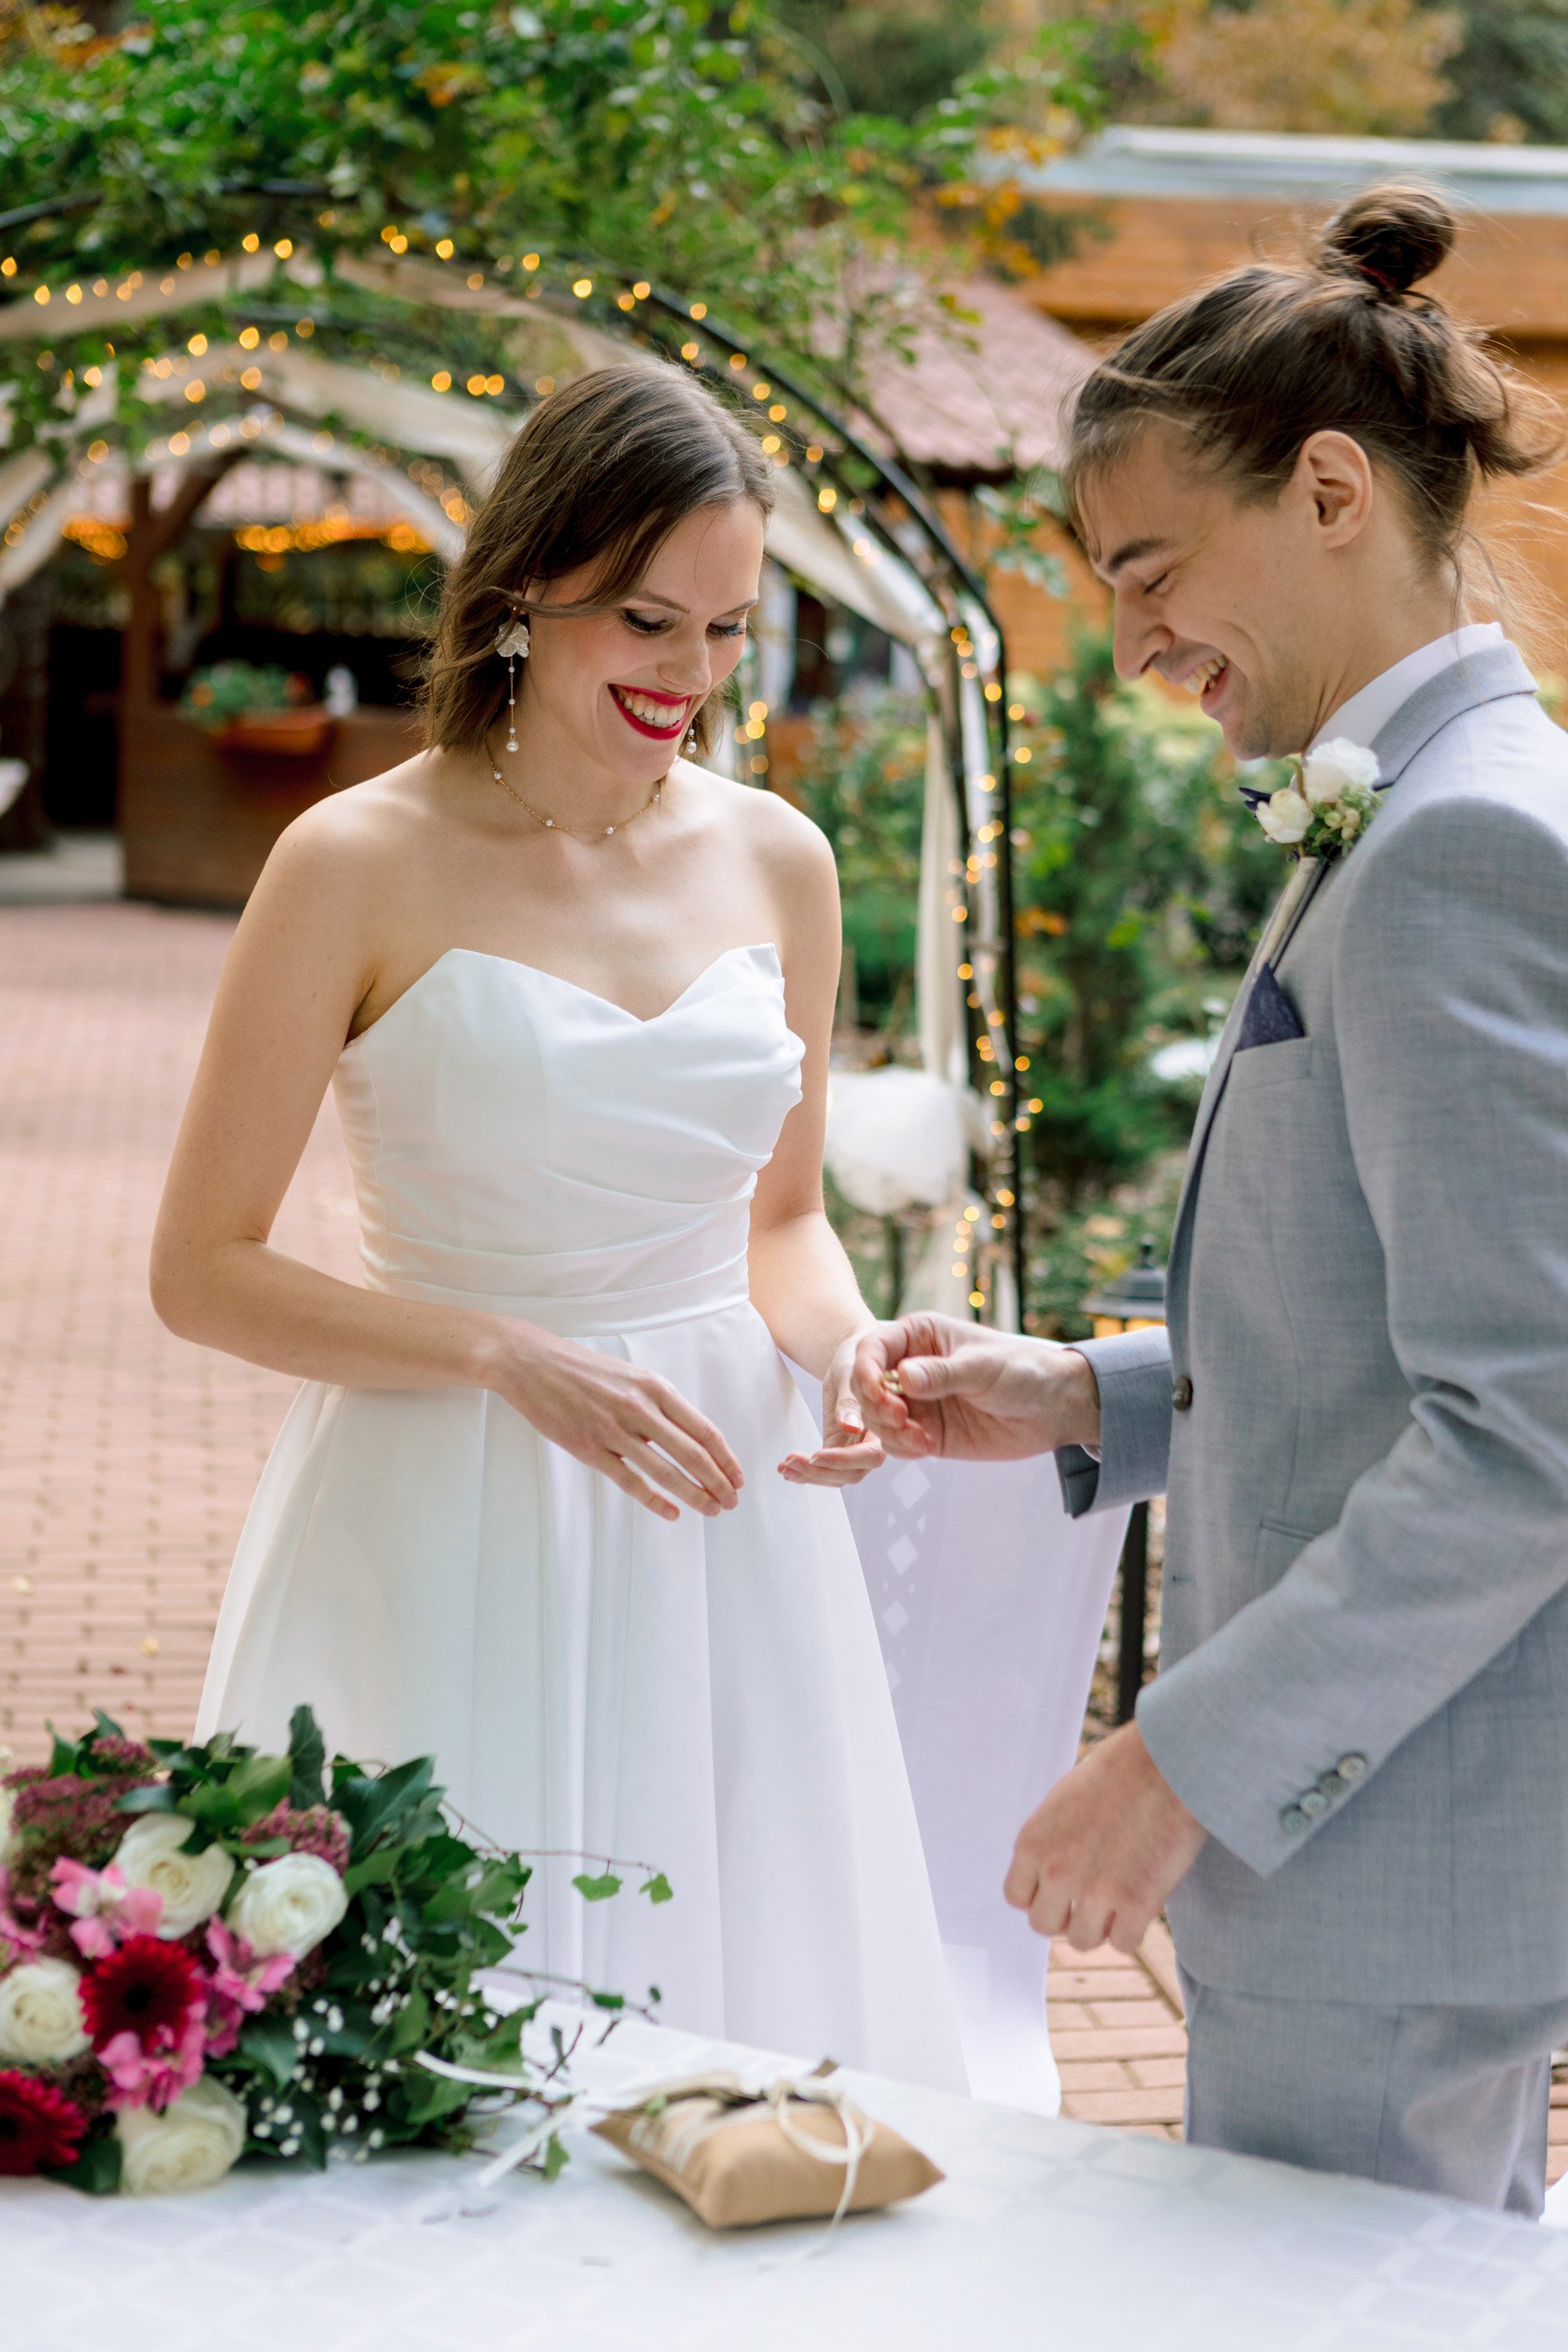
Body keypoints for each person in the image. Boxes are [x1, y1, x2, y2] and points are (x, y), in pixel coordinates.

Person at [855, 185, 1568, 2207]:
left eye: (1152, 566)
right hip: (1391, 1849)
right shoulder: (1435, 812)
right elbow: (1384, 1333)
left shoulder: (1459, 852)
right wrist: (1088, 1395)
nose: (1138, 633)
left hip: (1384, 1857)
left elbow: (1529, 1427)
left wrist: (1174, 1763)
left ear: (1329, 488)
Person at [155, 363, 965, 2090]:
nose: (687, 677)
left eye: (730, 632)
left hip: (718, 1506)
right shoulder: (350, 860)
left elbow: (786, 1220)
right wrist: (500, 1354)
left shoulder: (782, 861)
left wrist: (847, 1344)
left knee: (750, 2021)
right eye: (646, 620)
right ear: (529, 585)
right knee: (444, 2024)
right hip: (445, 1491)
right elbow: (201, 1267)